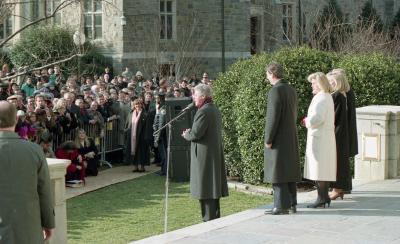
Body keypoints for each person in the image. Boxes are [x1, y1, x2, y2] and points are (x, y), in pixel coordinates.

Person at [0, 101, 55, 243]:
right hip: (28, 228)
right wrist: (49, 223)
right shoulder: (34, 150)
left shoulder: (34, 150)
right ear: (16, 119)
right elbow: (44, 191)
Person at [182, 84, 228, 222]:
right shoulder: (213, 109)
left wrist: (187, 134)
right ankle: (213, 219)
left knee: (207, 189)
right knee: (211, 190)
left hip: (205, 157)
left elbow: (196, 134)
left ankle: (209, 221)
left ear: (203, 96)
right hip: (210, 154)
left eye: (195, 95)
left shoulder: (203, 111)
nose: (193, 97)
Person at [263, 62, 301, 215]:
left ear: (272, 74)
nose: (267, 77)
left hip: (278, 137)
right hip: (290, 135)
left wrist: (268, 138)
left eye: (267, 74)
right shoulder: (291, 90)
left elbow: (272, 118)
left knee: (277, 171)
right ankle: (291, 204)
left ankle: (280, 205)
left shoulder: (275, 91)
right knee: (289, 171)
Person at [302, 72, 336, 208]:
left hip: (320, 138)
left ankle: (321, 198)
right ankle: (324, 197)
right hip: (324, 137)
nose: (312, 85)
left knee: (319, 169)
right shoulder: (326, 96)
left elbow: (318, 118)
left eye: (313, 83)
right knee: (323, 168)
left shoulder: (321, 98)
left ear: (320, 83)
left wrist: (306, 121)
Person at [327, 71, 351, 200]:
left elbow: (333, 116)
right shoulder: (342, 95)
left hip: (337, 133)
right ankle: (338, 189)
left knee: (337, 162)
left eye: (332, 82)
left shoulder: (336, 96)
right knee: (340, 161)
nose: (330, 84)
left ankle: (337, 189)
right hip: (341, 132)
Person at [124, 98, 149, 172]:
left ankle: (142, 166)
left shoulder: (145, 114)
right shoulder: (131, 113)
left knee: (141, 151)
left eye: (139, 104)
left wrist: (146, 136)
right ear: (134, 105)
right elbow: (127, 124)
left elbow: (147, 126)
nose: (137, 105)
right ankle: (135, 166)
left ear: (141, 105)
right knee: (133, 151)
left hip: (141, 136)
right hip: (132, 136)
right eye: (136, 104)